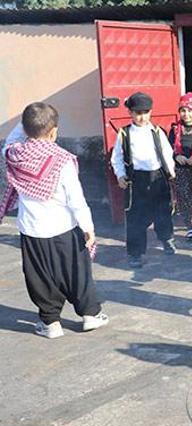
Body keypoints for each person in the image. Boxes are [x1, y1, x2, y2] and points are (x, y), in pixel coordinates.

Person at [0, 102, 108, 338]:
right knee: (77, 273)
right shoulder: (61, 160)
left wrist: (28, 122)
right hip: (64, 228)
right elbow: (76, 199)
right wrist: (88, 227)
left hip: (32, 230)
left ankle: (50, 323)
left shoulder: (14, 154)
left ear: (26, 130)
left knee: (39, 276)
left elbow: (11, 140)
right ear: (53, 132)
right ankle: (90, 315)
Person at [110, 92, 176, 269]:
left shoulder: (156, 131)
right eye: (137, 112)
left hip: (157, 177)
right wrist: (120, 175)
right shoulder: (124, 134)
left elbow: (167, 153)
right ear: (130, 113)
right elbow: (116, 157)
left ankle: (166, 239)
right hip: (136, 180)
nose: (141, 117)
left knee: (163, 212)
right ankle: (135, 253)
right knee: (135, 218)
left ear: (151, 112)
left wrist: (171, 172)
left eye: (145, 112)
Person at [168, 92, 192, 240]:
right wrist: (176, 156)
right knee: (184, 199)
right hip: (181, 170)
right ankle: (190, 227)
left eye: (190, 111)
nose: (186, 114)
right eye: (183, 111)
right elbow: (168, 148)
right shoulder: (175, 129)